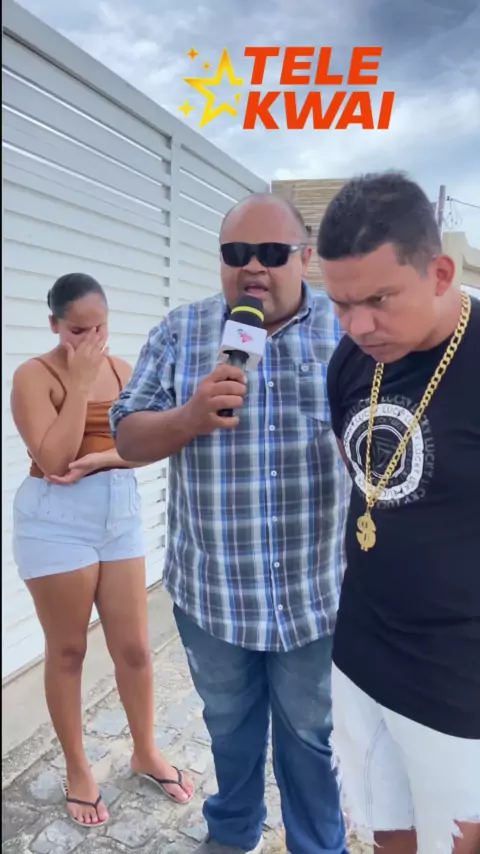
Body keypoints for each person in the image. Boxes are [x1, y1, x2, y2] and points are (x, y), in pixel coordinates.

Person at [109, 194, 351, 854]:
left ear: (305, 258)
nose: (253, 267)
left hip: (316, 598)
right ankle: (233, 831)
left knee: (312, 738)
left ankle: (317, 845)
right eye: (236, 253)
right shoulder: (181, 331)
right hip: (214, 595)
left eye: (271, 253)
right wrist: (188, 417)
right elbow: (127, 436)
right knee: (229, 729)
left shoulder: (348, 333)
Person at [317, 171, 480, 854]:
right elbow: (363, 483)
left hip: (459, 674)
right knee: (387, 833)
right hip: (362, 649)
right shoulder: (350, 361)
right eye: (340, 303)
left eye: (379, 300)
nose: (357, 326)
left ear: (439, 273)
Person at [11, 273, 194, 828]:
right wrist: (80, 382)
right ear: (53, 325)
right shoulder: (33, 376)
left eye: (100, 329)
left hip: (118, 513)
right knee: (68, 650)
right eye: (77, 331)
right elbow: (55, 458)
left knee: (134, 648)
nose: (90, 340)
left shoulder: (122, 371)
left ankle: (145, 751)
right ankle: (78, 769)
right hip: (55, 521)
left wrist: (107, 458)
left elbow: (144, 445)